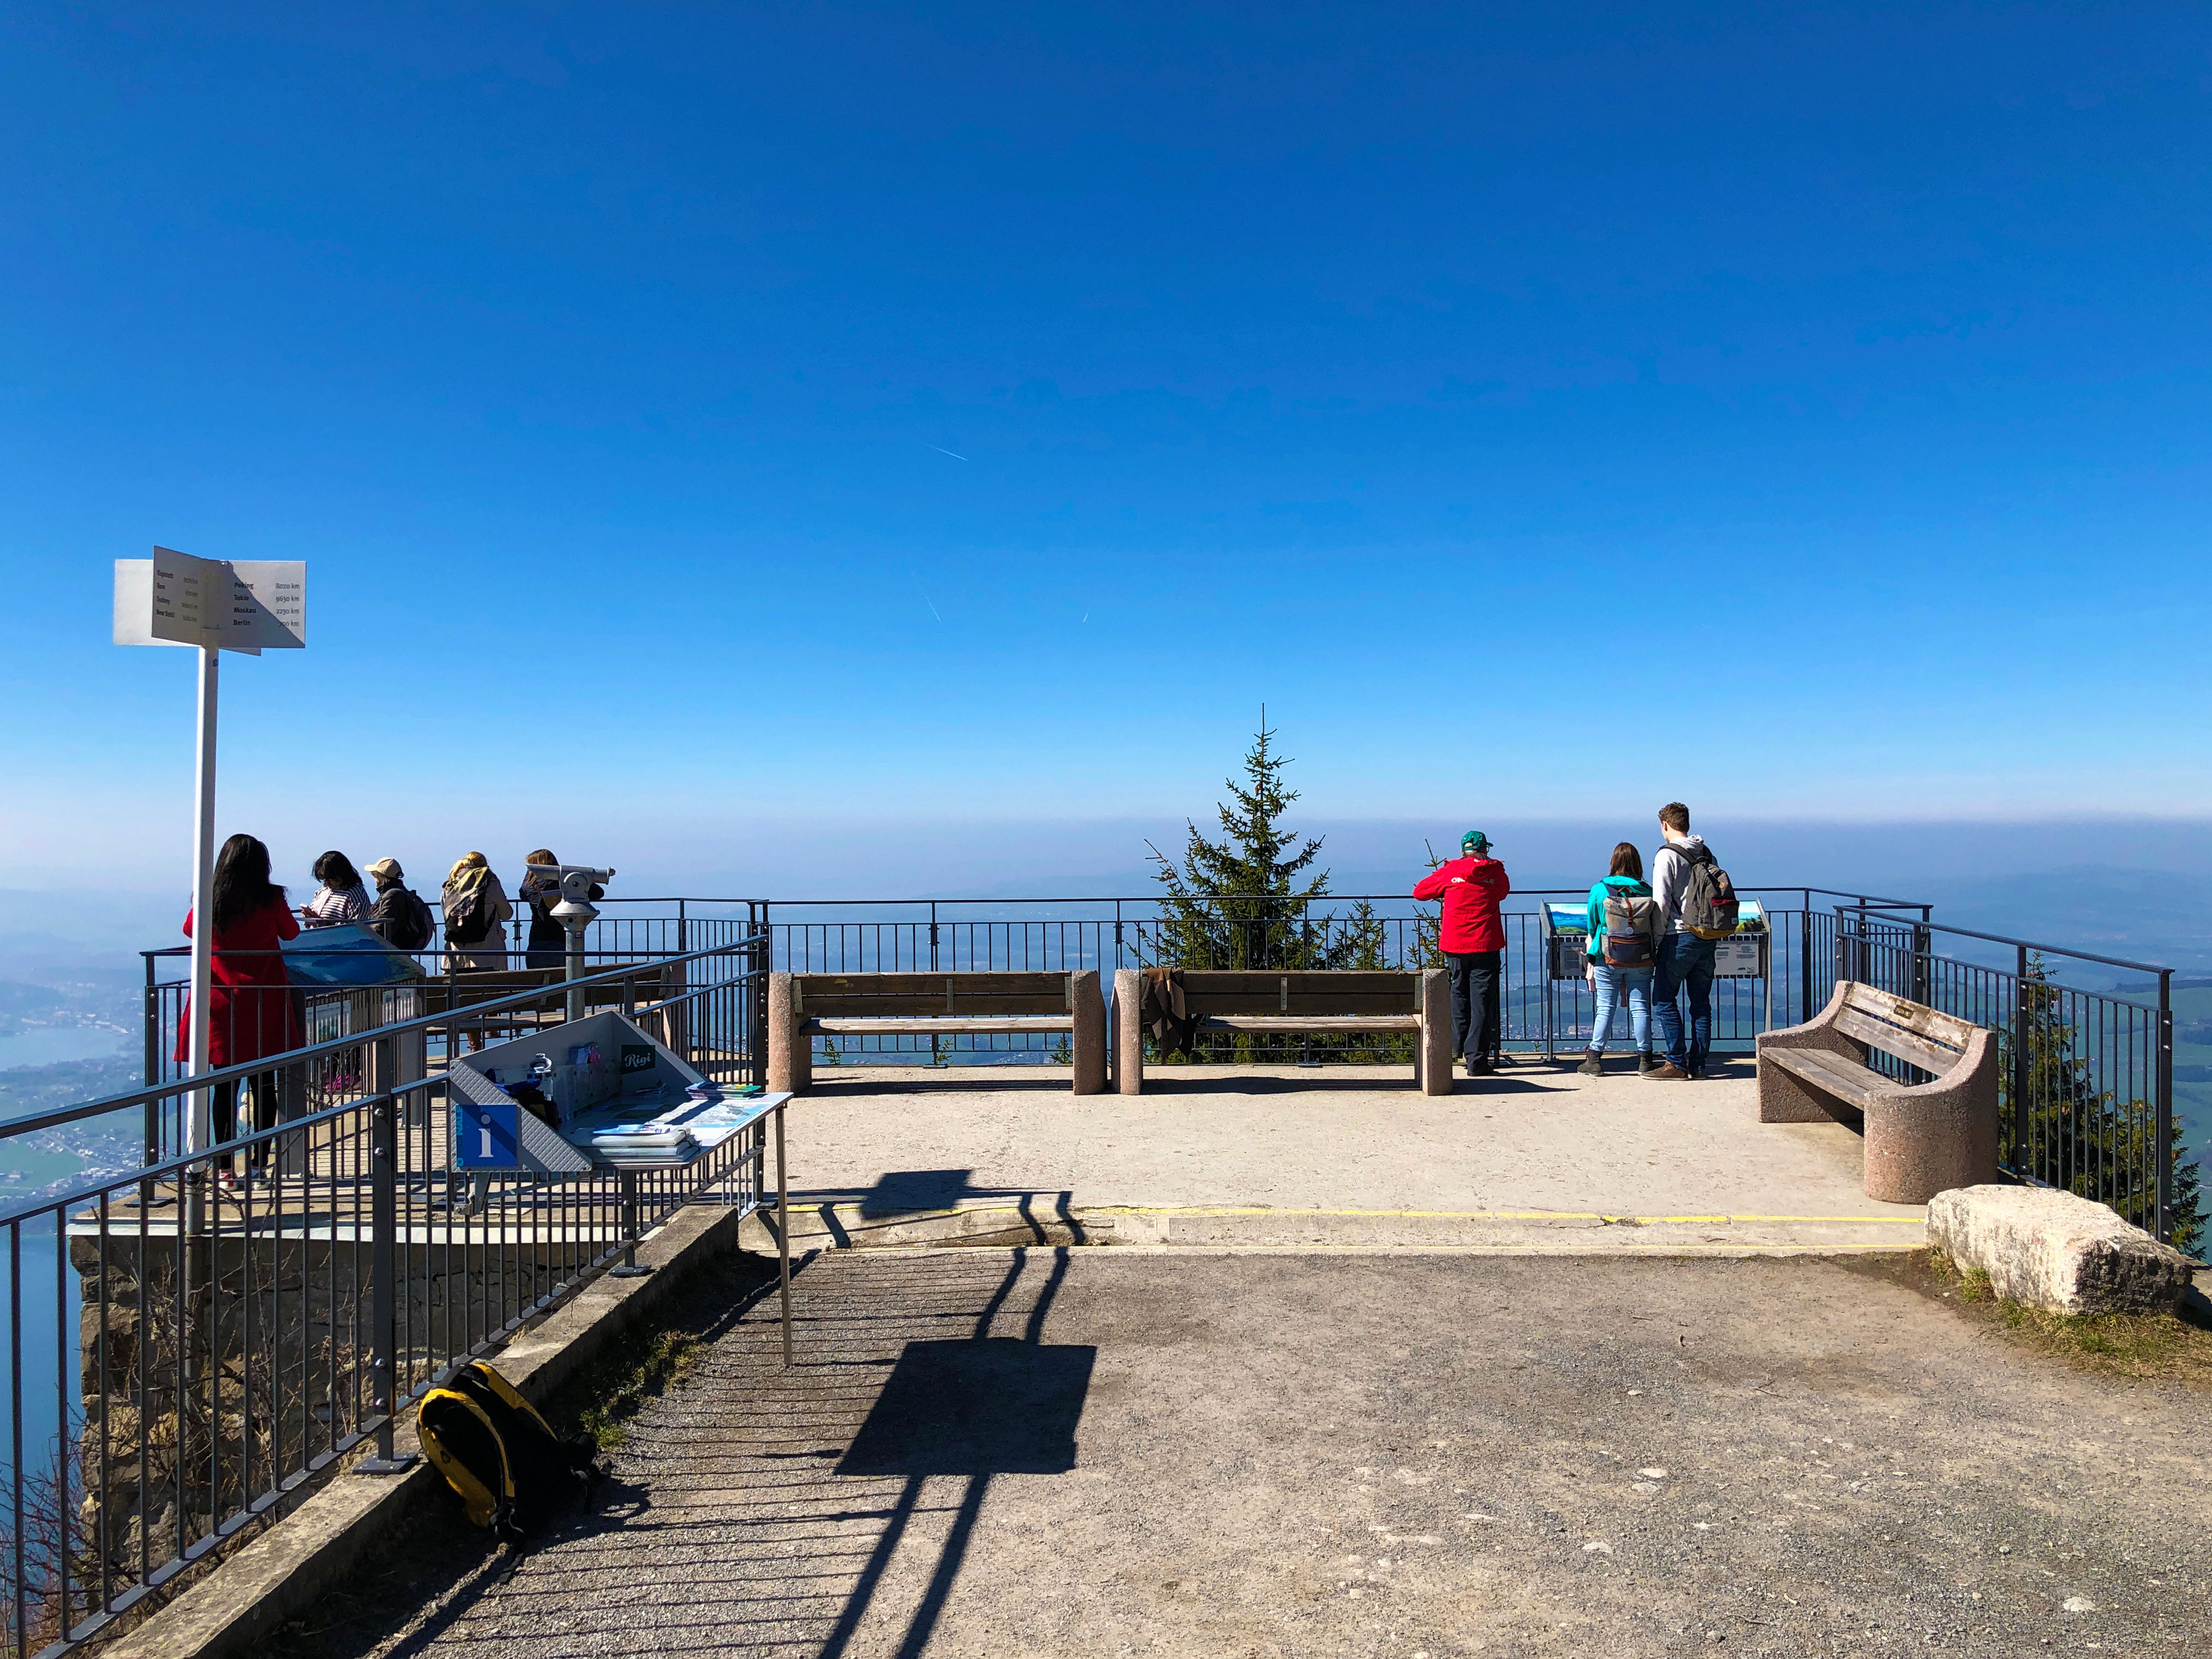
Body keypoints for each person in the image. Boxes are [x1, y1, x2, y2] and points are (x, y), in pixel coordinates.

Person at [176, 833, 302, 1182]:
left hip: (221, 1003)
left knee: (224, 1088)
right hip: (264, 1000)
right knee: (264, 1085)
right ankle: (260, 1165)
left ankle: (225, 1168)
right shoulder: (271, 898)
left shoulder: (209, 897)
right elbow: (291, 934)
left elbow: (190, 930)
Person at [1413, 831, 1512, 1073]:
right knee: (1482, 1000)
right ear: (1486, 850)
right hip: (1486, 943)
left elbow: (1420, 892)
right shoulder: (1496, 872)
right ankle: (1476, 1059)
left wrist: (1449, 888)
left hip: (1455, 944)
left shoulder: (1451, 871)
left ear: (1462, 851)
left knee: (1459, 992)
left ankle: (1456, 1047)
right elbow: (1503, 893)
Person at [1649, 802, 1717, 1081]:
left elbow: (1661, 902)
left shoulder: (1667, 856)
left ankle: (1676, 1062)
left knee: (1664, 999)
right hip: (1707, 935)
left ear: (1665, 825)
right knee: (1700, 1003)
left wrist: (1656, 938)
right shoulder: (1706, 852)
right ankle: (1699, 1065)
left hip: (1678, 937)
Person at [1579, 842, 1660, 1078]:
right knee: (1640, 1006)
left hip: (1607, 955)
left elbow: (1592, 923)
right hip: (1641, 956)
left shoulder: (1600, 889)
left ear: (1613, 863)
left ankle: (1594, 1059)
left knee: (1605, 1006)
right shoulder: (1646, 891)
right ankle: (1645, 1059)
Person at [441, 852, 513, 972]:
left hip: (456, 952)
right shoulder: (490, 882)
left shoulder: (451, 884)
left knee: (460, 988)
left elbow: (446, 914)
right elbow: (507, 914)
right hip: (487, 952)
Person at [364, 857, 435, 950]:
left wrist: (364, 935)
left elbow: (383, 927)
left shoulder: (394, 896)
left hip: (394, 949)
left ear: (380, 877)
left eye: (375, 875)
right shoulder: (396, 893)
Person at [300, 850, 371, 929]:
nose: (326, 883)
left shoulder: (354, 894)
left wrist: (324, 925)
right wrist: (308, 918)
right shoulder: (322, 891)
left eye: (330, 879)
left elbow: (359, 928)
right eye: (323, 878)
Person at [520, 850, 566, 969]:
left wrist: (529, 877)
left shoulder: (530, 886)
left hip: (538, 937)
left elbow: (523, 894)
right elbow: (597, 893)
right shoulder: (564, 882)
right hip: (562, 935)